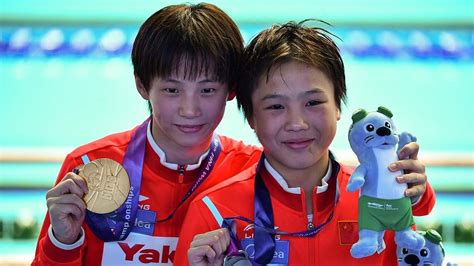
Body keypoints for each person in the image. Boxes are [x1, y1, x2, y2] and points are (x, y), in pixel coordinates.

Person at [175, 20, 436, 265]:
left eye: (313, 103)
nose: (297, 123)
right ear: (251, 117)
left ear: (338, 106)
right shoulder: (213, 213)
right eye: (276, 106)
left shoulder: (379, 195)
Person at [32, 3, 262, 265]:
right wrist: (62, 242)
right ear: (142, 86)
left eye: (207, 90)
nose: (190, 110)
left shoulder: (255, 173)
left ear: (231, 90)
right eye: (172, 91)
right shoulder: (87, 168)